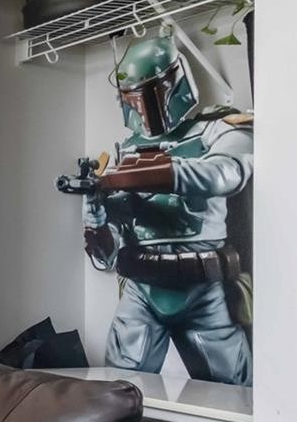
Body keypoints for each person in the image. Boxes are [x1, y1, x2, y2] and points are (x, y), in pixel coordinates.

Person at [75, 34, 253, 385]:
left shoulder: (217, 130)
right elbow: (108, 250)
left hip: (203, 288)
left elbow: (226, 174)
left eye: (149, 94)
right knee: (117, 395)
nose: (141, 107)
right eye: (133, 97)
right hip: (141, 290)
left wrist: (151, 174)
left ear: (175, 83)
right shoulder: (126, 150)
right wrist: (96, 208)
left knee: (237, 398)